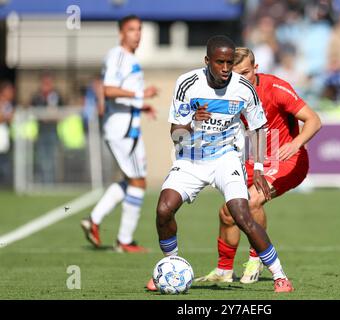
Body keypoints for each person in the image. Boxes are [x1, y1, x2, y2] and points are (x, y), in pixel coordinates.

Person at [146, 36, 294, 293]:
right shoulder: (187, 84)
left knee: (241, 214)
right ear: (207, 61)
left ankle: (280, 276)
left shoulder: (243, 88)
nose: (225, 68)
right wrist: (193, 121)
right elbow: (176, 133)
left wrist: (258, 168)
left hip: (226, 158)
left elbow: (259, 128)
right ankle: (170, 266)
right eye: (220, 62)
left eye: (228, 63)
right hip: (190, 159)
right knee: (163, 210)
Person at [195, 47, 322, 284]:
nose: (242, 79)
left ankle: (256, 259)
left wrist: (295, 144)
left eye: (246, 72)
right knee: (227, 212)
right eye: (236, 74)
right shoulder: (227, 92)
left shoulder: (276, 88)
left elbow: (314, 120)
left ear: (256, 68)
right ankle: (223, 271)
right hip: (254, 160)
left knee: (252, 201)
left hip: (286, 159)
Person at [80, 15, 158, 253]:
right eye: (132, 29)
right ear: (121, 33)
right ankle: (124, 240)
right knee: (139, 181)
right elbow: (108, 90)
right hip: (123, 130)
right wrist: (141, 95)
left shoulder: (130, 58)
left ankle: (94, 220)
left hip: (126, 126)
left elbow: (120, 93)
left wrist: (140, 105)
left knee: (130, 181)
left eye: (140, 29)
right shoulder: (118, 55)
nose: (137, 34)